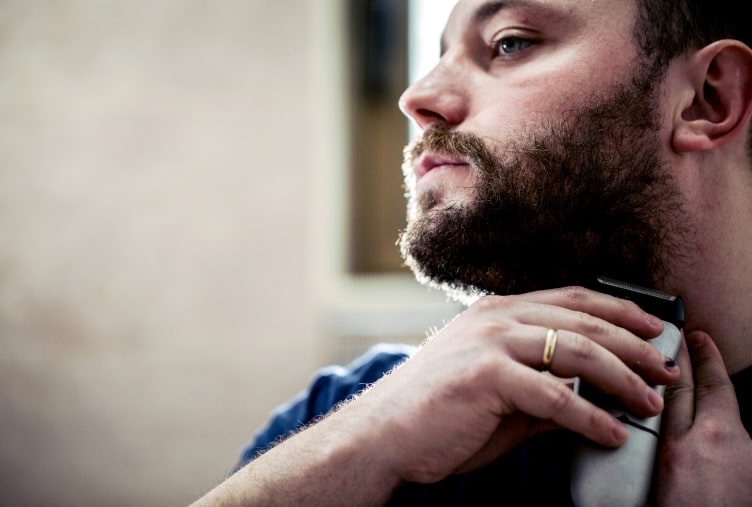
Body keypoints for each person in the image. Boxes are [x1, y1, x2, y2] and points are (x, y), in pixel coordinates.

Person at [191, 0, 752, 505]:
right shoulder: (345, 413)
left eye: (509, 43)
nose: (417, 98)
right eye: (439, 55)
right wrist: (356, 447)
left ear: (707, 97)